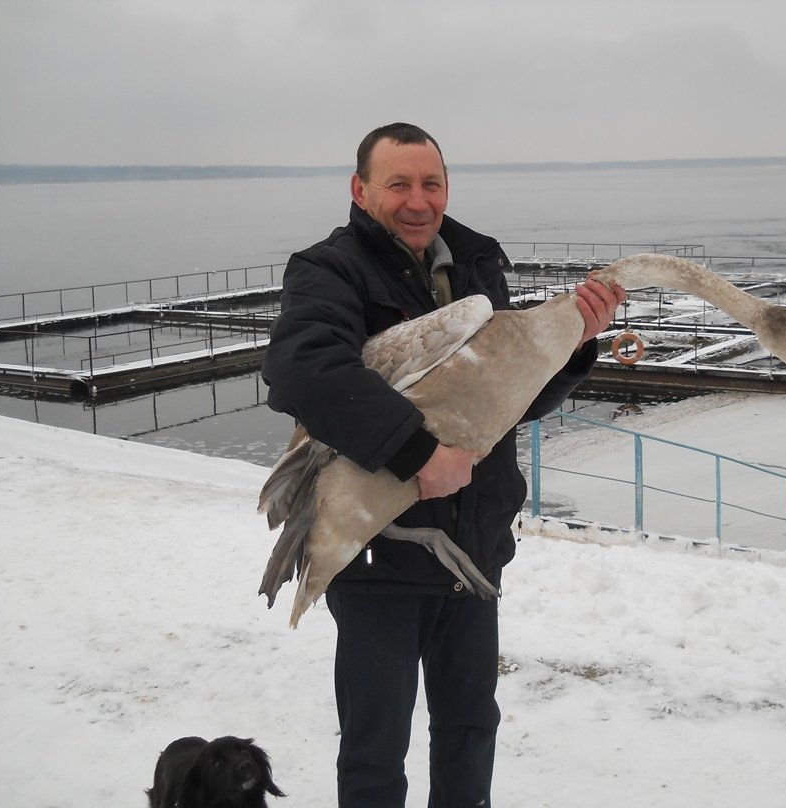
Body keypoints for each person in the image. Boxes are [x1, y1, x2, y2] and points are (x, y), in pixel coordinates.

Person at [261, 122, 626, 807]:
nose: (417, 200)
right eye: (397, 183)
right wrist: (417, 454)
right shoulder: (328, 269)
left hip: (473, 549)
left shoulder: (477, 263)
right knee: (375, 750)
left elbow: (504, 401)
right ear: (360, 189)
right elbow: (302, 369)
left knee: (468, 728)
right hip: (381, 558)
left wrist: (576, 346)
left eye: (431, 183)